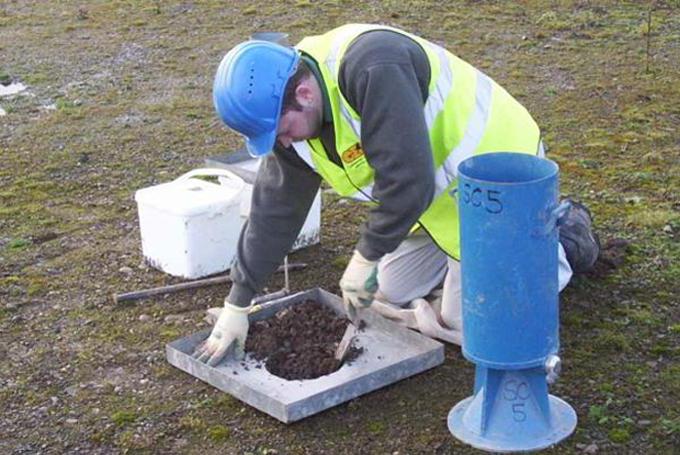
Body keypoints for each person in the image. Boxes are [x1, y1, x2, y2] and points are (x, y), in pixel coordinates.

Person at [192, 24, 599, 366]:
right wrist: (238, 301)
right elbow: (275, 211)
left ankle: (561, 236)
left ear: (304, 94)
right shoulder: (288, 109)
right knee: (391, 290)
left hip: (496, 181)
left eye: (281, 130)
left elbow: (408, 182)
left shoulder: (373, 66)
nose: (282, 142)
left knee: (469, 324)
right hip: (433, 201)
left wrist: (365, 255)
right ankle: (464, 264)